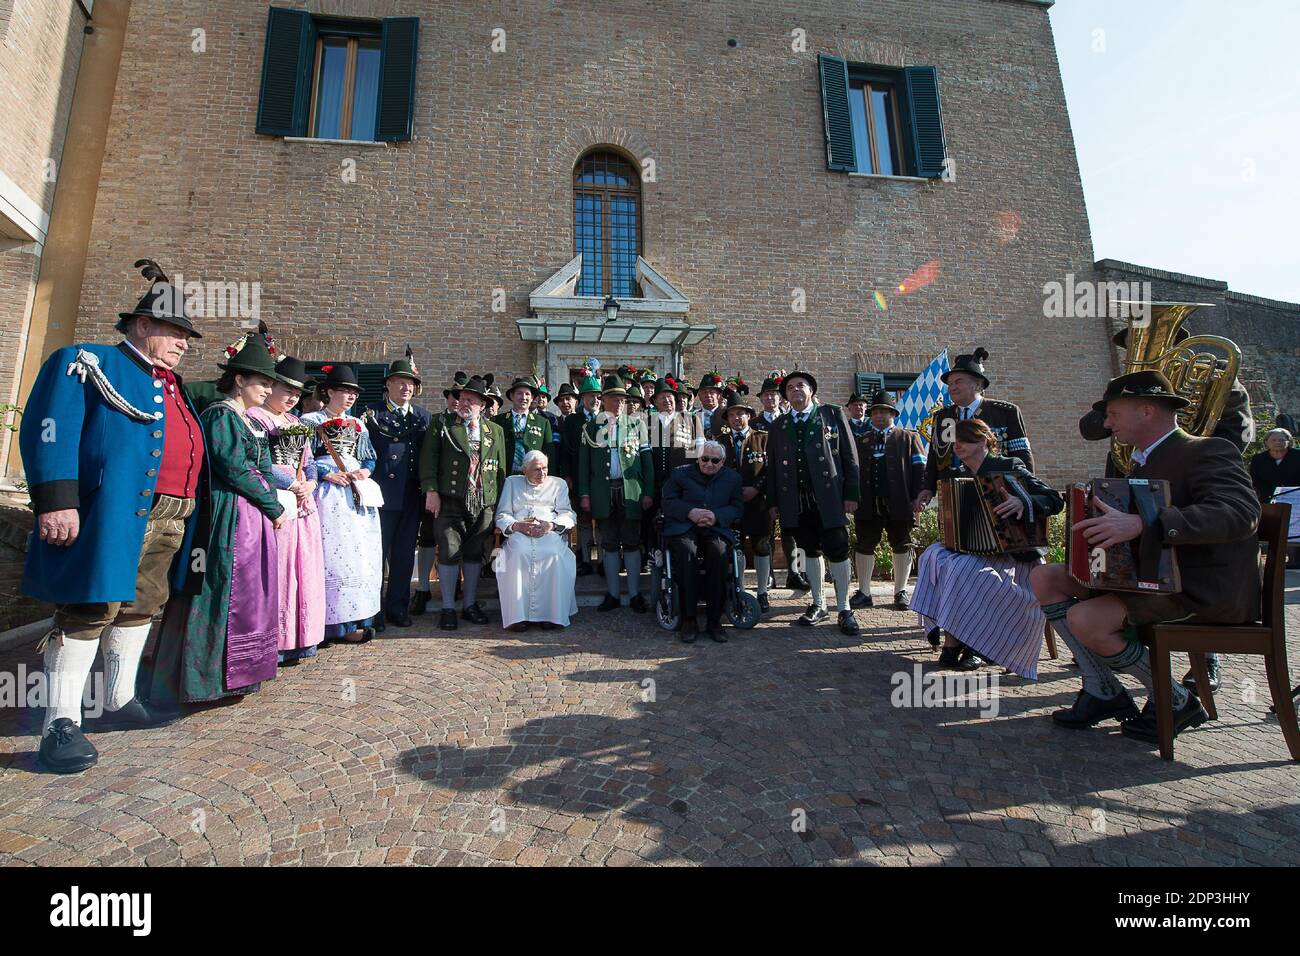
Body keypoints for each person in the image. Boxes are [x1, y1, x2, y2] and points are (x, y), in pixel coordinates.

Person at [20, 259, 203, 773]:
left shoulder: (170, 383)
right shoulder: (85, 360)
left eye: (187, 336)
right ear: (142, 326)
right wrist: (57, 500)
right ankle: (60, 722)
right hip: (111, 512)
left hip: (168, 515)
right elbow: (49, 427)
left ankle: (119, 700)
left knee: (142, 604)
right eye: (176, 333)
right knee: (88, 606)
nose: (184, 343)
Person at [1030, 370, 1261, 744]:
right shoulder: (1142, 461)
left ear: (1147, 410)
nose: (1105, 424)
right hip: (1152, 580)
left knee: (1086, 618)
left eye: (1113, 414)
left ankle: (1175, 699)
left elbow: (1239, 513)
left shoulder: (1207, 449)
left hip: (1200, 590)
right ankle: (1102, 689)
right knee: (1045, 578)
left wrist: (1143, 523)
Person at [150, 335, 285, 706]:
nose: (268, 389)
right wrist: (273, 505)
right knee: (219, 588)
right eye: (262, 382)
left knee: (245, 593)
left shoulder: (245, 419)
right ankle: (204, 679)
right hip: (227, 516)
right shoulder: (221, 415)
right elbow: (233, 467)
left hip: (248, 515)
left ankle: (239, 673)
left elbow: (260, 468)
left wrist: (269, 497)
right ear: (239, 380)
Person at [911, 417, 1063, 676]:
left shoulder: (1008, 466)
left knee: (966, 571)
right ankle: (955, 637)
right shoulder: (957, 476)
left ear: (982, 441)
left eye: (963, 440)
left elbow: (1053, 499)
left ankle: (975, 644)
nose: (956, 445)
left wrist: (1022, 501)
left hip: (1013, 553)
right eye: (954, 441)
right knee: (932, 557)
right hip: (976, 550)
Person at [765, 370, 862, 635]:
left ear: (812, 391)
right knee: (808, 550)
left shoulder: (831, 414)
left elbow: (849, 457)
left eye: (801, 386)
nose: (795, 390)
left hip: (829, 496)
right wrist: (774, 502)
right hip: (795, 500)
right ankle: (819, 603)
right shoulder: (779, 425)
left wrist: (851, 494)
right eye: (790, 388)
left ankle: (844, 608)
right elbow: (772, 467)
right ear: (785, 395)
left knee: (838, 548)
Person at [247, 355, 326, 664]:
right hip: (275, 498)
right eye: (287, 390)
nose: (293, 398)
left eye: (297, 394)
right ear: (271, 387)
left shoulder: (295, 422)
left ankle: (299, 637)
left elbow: (308, 461)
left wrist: (311, 484)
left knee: (302, 567)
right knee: (278, 567)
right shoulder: (256, 418)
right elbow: (260, 460)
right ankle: (273, 640)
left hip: (302, 502)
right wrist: (293, 485)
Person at [1079, 324, 1255, 458]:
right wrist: (1120, 404)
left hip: (1195, 471)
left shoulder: (1211, 374)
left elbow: (1238, 427)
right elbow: (1089, 430)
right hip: (1132, 473)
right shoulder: (1124, 387)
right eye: (1134, 347)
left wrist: (1206, 460)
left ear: (1176, 345)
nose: (1142, 354)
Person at [301, 364, 383, 644]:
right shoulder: (310, 421)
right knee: (330, 555)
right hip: (326, 492)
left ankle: (354, 620)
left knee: (356, 557)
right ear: (330, 391)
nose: (350, 398)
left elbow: (370, 458)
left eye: (353, 393)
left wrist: (365, 472)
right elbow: (302, 459)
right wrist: (326, 473)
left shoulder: (358, 424)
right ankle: (324, 625)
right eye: (345, 392)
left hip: (355, 493)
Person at [419, 375, 507, 629]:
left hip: (484, 501)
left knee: (474, 553)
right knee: (448, 550)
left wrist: (496, 503)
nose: (463, 403)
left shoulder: (495, 430)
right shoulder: (442, 423)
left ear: (482, 404)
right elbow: (429, 459)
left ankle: (469, 604)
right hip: (450, 499)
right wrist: (431, 491)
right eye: (461, 399)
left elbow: (500, 468)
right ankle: (448, 607)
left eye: (470, 400)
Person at [362, 349, 430, 629]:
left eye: (410, 383)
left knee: (403, 555)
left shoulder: (423, 416)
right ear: (388, 384)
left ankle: (398, 607)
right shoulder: (371, 414)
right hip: (382, 494)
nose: (406, 387)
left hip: (411, 495)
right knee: (377, 556)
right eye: (400, 382)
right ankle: (373, 610)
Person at [917, 347, 1033, 512]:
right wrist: (927, 487)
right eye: (950, 383)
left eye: (958, 381)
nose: (952, 387)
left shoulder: (1004, 412)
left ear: (977, 384)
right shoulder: (945, 417)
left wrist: (1025, 494)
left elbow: (1022, 455)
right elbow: (937, 456)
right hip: (954, 492)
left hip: (997, 491)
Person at [579, 374, 655, 613]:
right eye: (614, 399)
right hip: (603, 492)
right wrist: (584, 493)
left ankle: (634, 595)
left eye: (622, 399)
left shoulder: (637, 424)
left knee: (632, 542)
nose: (619, 403)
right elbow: (583, 465)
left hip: (630, 491)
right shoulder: (590, 427)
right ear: (604, 400)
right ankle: (612, 593)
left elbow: (647, 462)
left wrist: (649, 492)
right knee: (609, 543)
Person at [661, 440, 744, 642]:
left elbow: (737, 507)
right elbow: (668, 502)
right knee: (687, 552)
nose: (709, 464)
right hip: (685, 526)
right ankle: (689, 619)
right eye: (705, 459)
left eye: (715, 460)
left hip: (715, 527)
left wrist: (716, 516)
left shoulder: (732, 478)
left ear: (722, 462)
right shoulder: (680, 473)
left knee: (719, 553)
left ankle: (714, 620)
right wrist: (691, 512)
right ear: (698, 457)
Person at [851, 390, 926, 611]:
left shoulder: (909, 437)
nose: (879, 416)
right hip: (867, 503)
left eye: (884, 411)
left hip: (900, 502)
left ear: (893, 414)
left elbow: (920, 470)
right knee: (864, 544)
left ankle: (900, 591)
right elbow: (851, 472)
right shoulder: (860, 440)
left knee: (902, 544)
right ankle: (864, 592)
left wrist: (918, 497)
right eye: (875, 412)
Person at [494, 451, 578, 631]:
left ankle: (552, 614)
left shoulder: (558, 484)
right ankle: (518, 616)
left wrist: (552, 525)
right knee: (519, 552)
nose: (542, 474)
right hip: (519, 532)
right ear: (524, 470)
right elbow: (502, 514)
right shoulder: (511, 483)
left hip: (548, 531)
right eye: (537, 470)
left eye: (545, 468)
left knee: (553, 552)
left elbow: (567, 512)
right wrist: (516, 526)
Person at [412, 371, 470, 615]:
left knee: (458, 543)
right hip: (435, 492)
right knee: (428, 537)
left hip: (462, 495)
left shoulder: (474, 424)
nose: (457, 401)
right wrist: (430, 489)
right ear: (447, 398)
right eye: (453, 396)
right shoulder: (436, 421)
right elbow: (429, 458)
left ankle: (459, 587)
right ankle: (424, 587)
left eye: (462, 396)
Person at [753, 370, 809, 593]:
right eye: (765, 395)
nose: (769, 398)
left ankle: (798, 572)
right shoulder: (755, 423)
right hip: (763, 483)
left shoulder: (791, 420)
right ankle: (767, 576)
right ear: (760, 399)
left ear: (780, 398)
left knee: (797, 531)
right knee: (763, 532)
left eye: (773, 395)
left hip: (791, 483)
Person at [719, 393, 773, 612]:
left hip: (758, 502)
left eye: (740, 413)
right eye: (731, 414)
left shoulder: (763, 438)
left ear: (748, 415)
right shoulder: (720, 440)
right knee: (736, 546)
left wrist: (756, 488)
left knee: (762, 545)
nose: (736, 418)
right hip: (731, 504)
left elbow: (772, 469)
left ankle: (762, 592)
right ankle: (739, 590)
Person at [643, 376, 695, 587]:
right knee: (652, 521)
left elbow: (696, 454)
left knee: (680, 522)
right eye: (662, 397)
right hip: (655, 482)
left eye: (670, 397)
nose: (667, 401)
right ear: (655, 402)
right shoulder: (647, 422)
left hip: (682, 485)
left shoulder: (690, 421)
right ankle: (654, 557)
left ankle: (678, 560)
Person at [558, 369, 602, 576]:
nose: (595, 399)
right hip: (578, 477)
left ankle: (602, 559)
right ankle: (584, 559)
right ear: (582, 398)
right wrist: (567, 474)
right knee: (583, 520)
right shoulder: (572, 421)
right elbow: (565, 451)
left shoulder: (606, 418)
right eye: (591, 395)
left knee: (602, 519)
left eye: (598, 395)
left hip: (602, 479)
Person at [494, 375, 554, 476]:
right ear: (512, 396)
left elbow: (550, 454)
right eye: (519, 393)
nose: (524, 397)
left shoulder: (543, 423)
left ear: (532, 398)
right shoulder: (498, 420)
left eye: (527, 394)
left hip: (534, 476)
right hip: (506, 475)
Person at [1250, 428, 1300, 504]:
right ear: (1266, 442)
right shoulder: (1258, 459)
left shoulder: (1297, 455)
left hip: (1295, 499)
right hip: (1267, 501)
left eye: (1281, 440)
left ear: (1288, 441)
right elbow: (1254, 481)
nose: (1277, 442)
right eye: (1273, 440)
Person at [693, 370, 726, 439]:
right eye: (704, 392)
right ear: (699, 396)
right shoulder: (694, 417)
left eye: (711, 392)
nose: (708, 395)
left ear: (718, 395)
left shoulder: (726, 415)